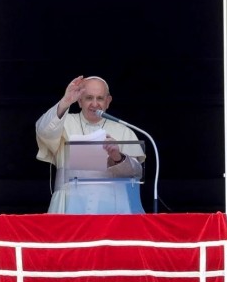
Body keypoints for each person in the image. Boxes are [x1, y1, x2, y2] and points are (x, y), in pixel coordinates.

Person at [35, 75, 146, 214]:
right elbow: (43, 131)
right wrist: (65, 101)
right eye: (88, 98)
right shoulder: (64, 122)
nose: (94, 104)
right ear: (80, 101)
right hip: (69, 205)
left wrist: (117, 157)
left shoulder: (123, 130)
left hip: (112, 206)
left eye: (99, 98)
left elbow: (136, 173)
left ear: (108, 101)